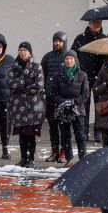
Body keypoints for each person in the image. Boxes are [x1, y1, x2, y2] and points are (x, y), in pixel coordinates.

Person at [47, 50, 89, 164]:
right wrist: (63, 101)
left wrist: (73, 102)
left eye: (71, 58)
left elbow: (85, 94)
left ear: (75, 60)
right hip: (63, 110)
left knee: (80, 134)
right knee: (65, 136)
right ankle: (69, 159)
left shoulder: (82, 75)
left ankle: (82, 158)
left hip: (77, 109)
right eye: (67, 59)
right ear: (63, 61)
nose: (69, 61)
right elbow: (51, 93)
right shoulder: (58, 75)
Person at [8, 41, 45, 168]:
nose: (22, 52)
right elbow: (9, 82)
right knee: (22, 135)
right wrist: (24, 82)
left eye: (25, 50)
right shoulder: (14, 66)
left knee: (30, 134)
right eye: (21, 50)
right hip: (18, 106)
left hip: (32, 106)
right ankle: (23, 158)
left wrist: (23, 88)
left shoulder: (36, 66)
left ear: (29, 52)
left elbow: (39, 85)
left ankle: (31, 158)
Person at [40, 31, 68, 162]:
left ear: (64, 42)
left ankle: (63, 153)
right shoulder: (47, 57)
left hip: (63, 98)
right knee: (52, 127)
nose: (57, 43)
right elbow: (42, 76)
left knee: (64, 127)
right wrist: (45, 90)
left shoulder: (69, 57)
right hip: (50, 97)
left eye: (60, 41)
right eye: (55, 41)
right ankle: (54, 151)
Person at [72, 18, 105, 86]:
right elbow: (73, 55)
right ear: (90, 23)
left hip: (100, 75)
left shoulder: (105, 39)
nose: (97, 24)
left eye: (99, 22)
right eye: (95, 22)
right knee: (84, 96)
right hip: (84, 74)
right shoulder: (80, 38)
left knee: (100, 96)